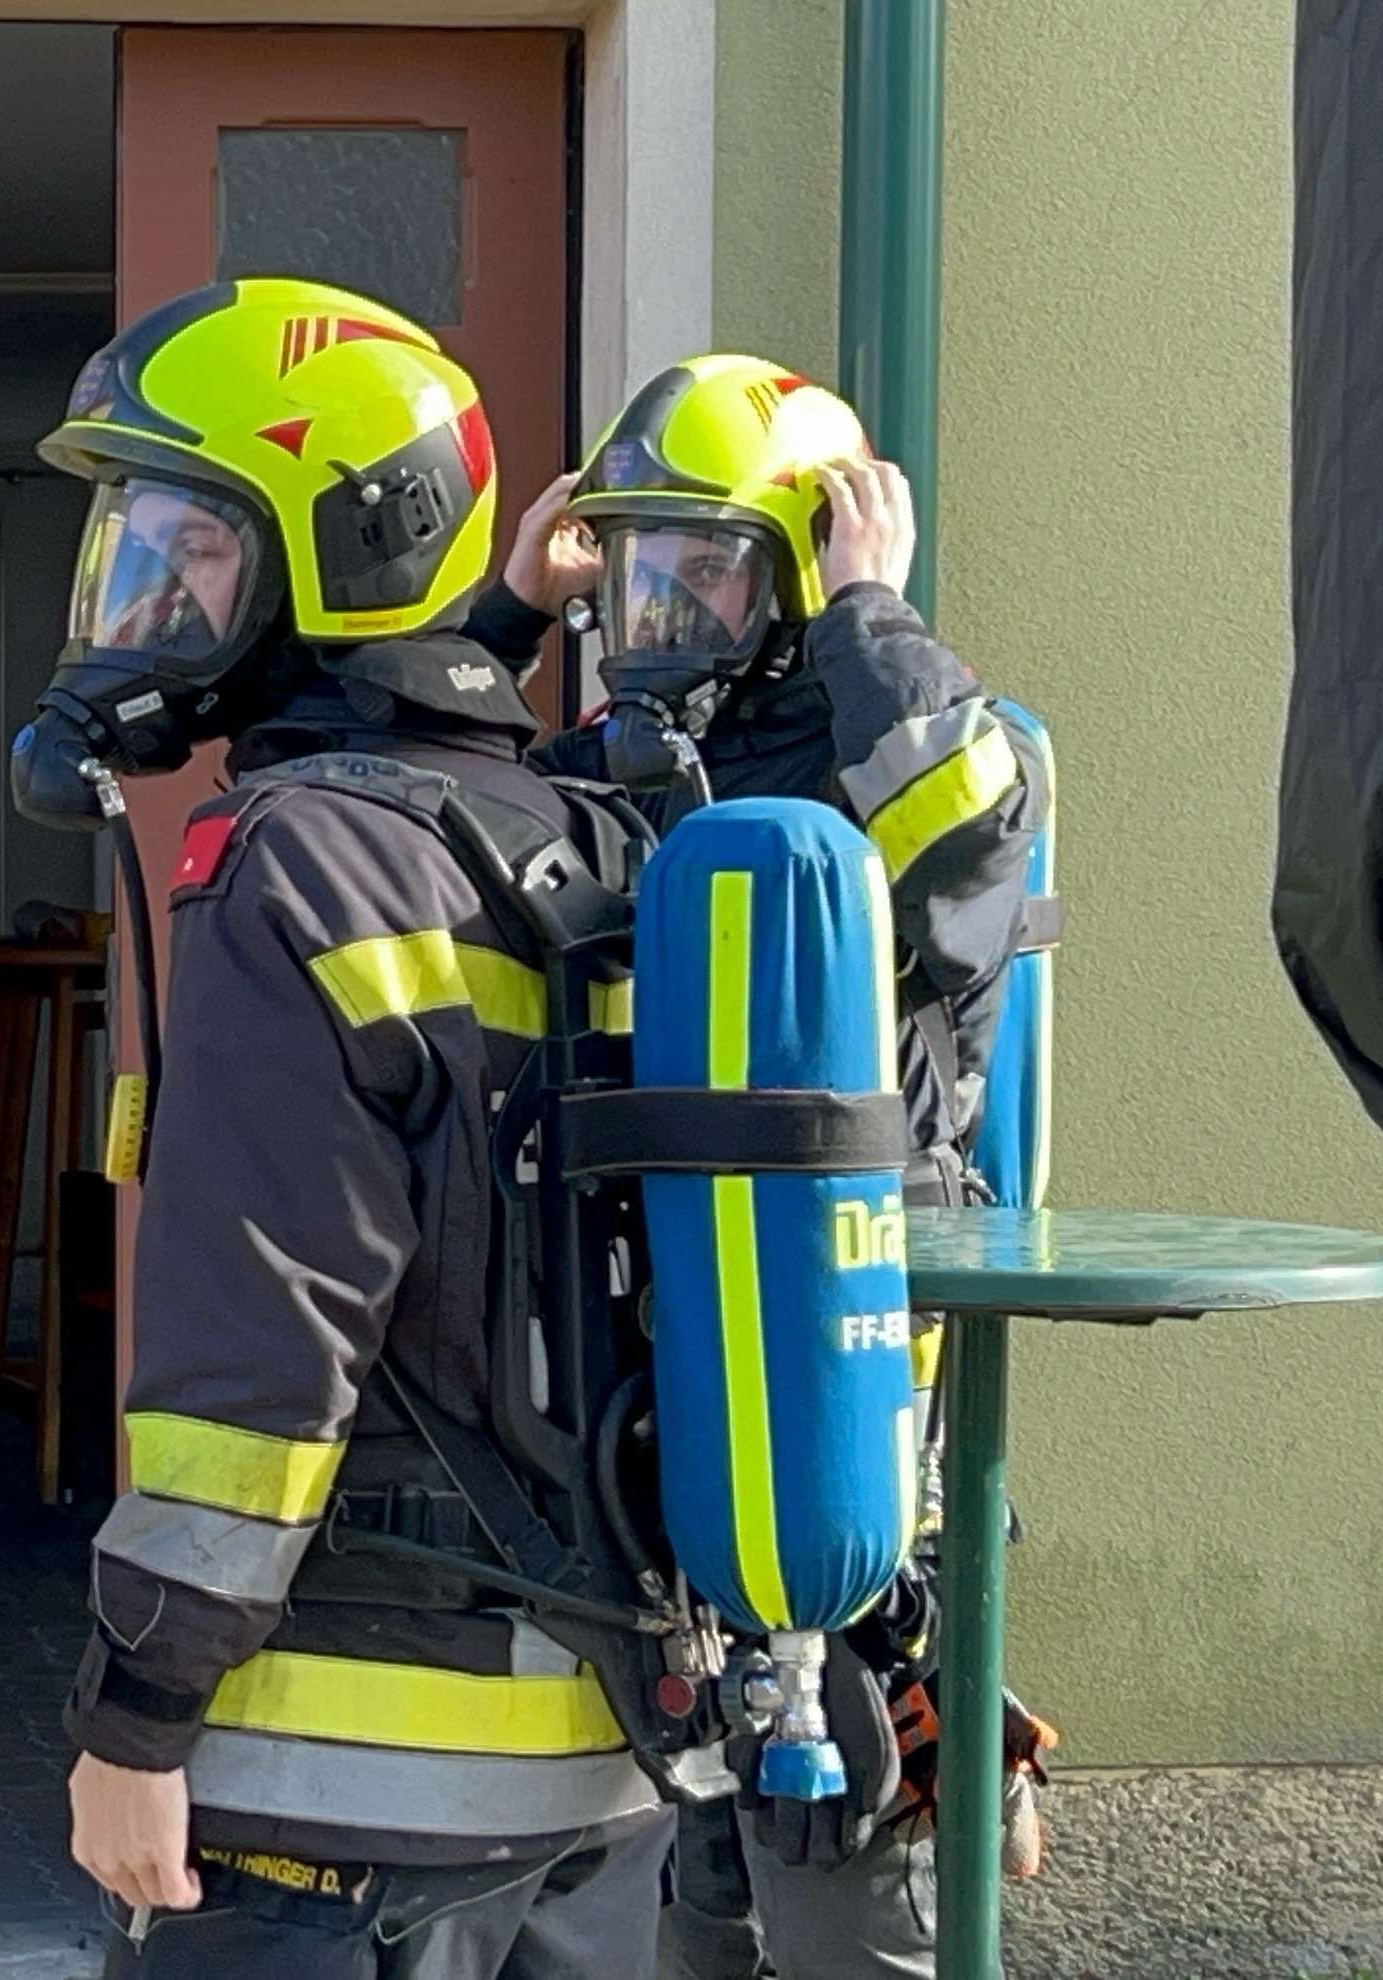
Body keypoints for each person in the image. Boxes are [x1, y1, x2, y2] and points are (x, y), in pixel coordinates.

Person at [12, 276, 672, 1979]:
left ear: (342, 554)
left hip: (335, 1789)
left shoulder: (287, 866)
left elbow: (261, 1347)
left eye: (192, 547)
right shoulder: (587, 840)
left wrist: (141, 1713)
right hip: (607, 1774)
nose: (142, 598)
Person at [469, 355, 1047, 1980]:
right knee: (685, 1911)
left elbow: (969, 863)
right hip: (646, 1437)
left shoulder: (908, 759)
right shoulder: (624, 777)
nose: (658, 615)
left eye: (703, 571)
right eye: (639, 574)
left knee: (845, 1888)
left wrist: (874, 622)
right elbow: (429, 812)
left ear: (802, 569)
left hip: (833, 1432)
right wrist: (511, 618)